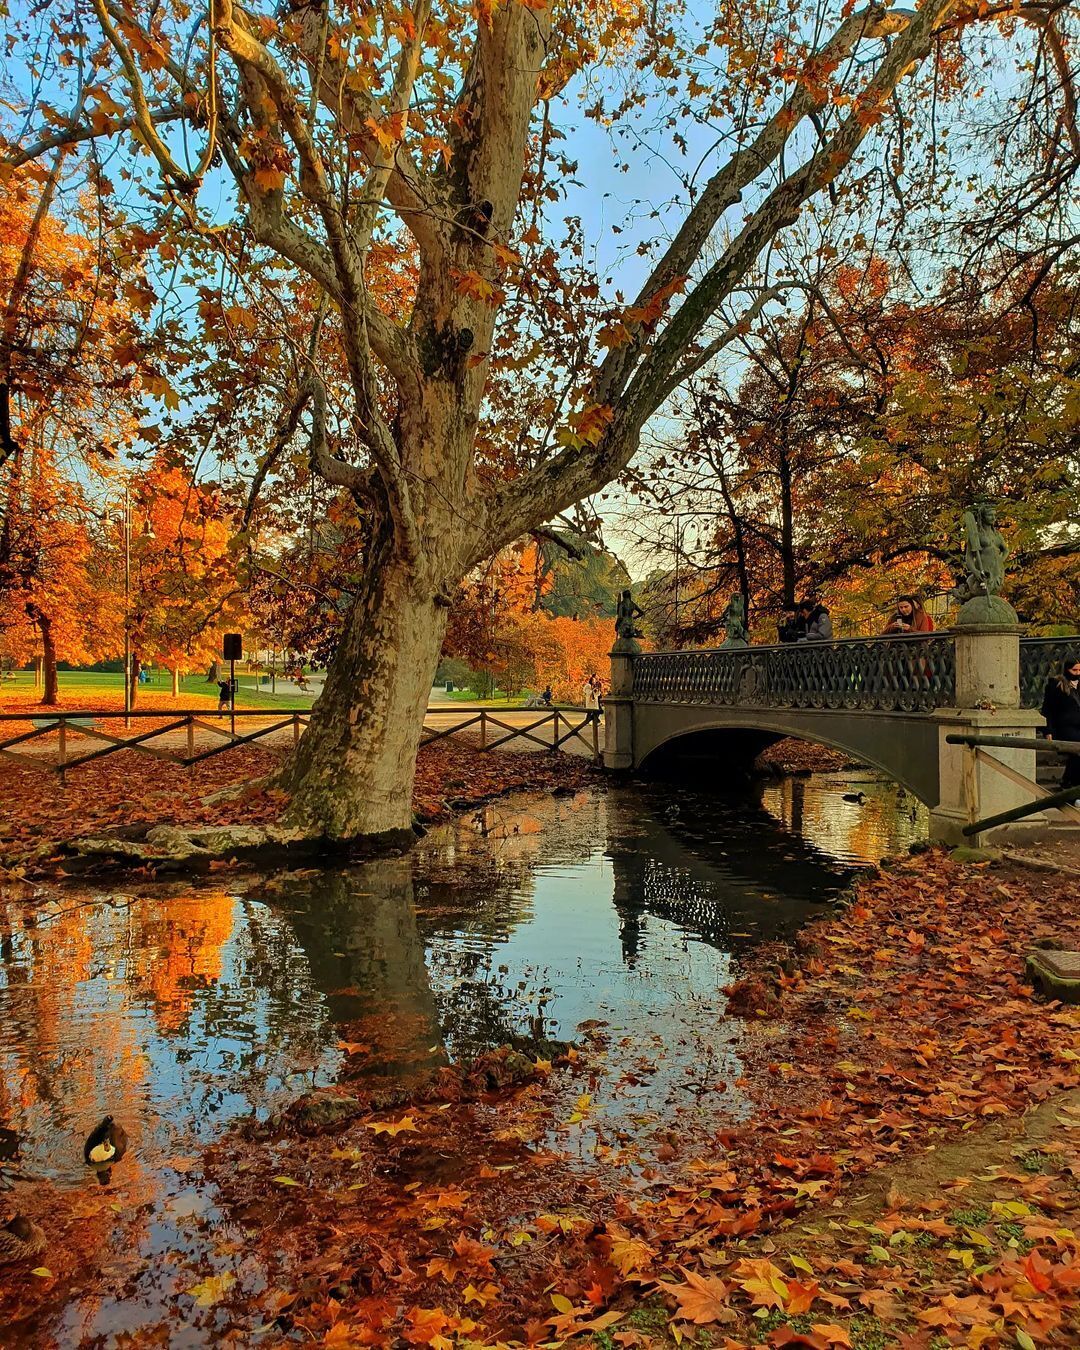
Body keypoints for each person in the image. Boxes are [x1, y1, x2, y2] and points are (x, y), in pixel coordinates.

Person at [1041, 656, 1080, 791]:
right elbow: (1048, 710)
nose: (1077, 673)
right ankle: (1070, 783)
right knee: (1077, 748)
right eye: (1075, 670)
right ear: (1067, 669)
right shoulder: (1056, 685)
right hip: (1064, 728)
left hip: (1078, 726)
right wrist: (1048, 731)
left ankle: (1070, 782)